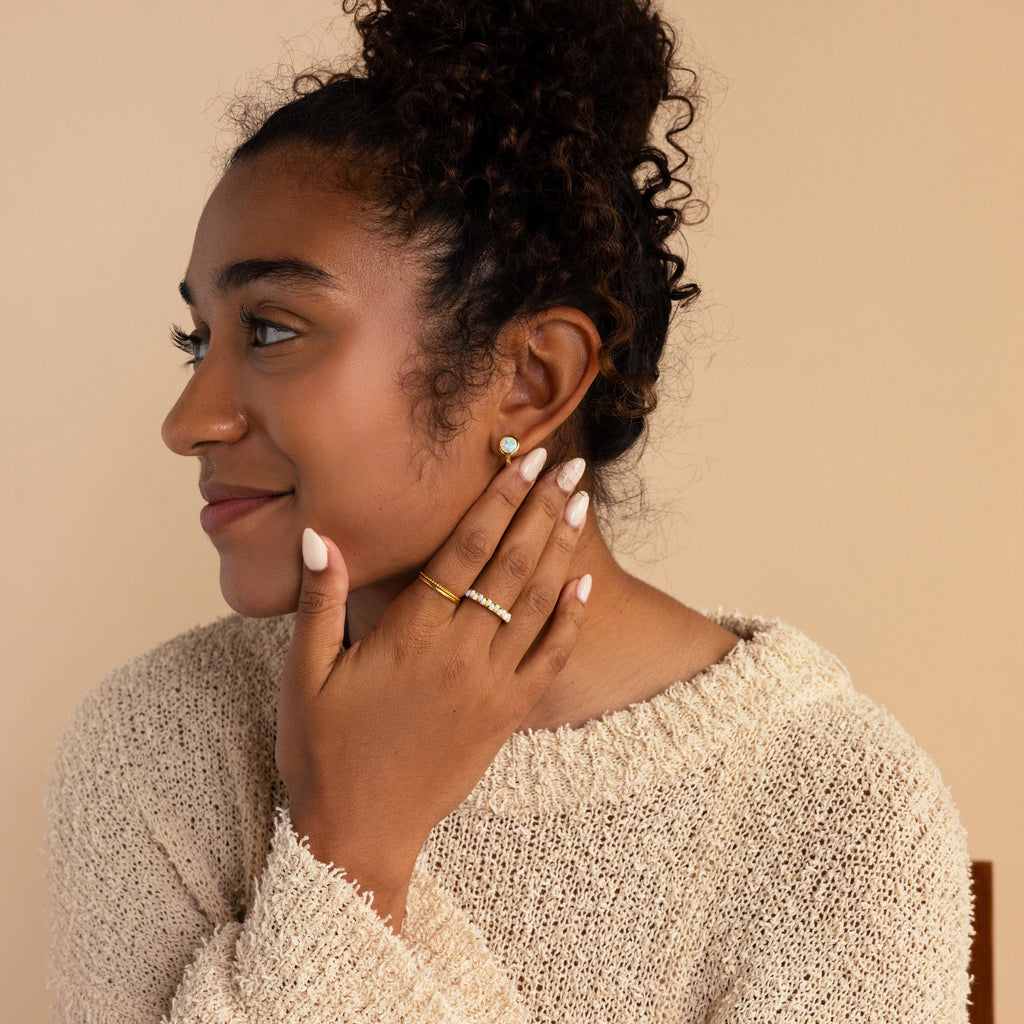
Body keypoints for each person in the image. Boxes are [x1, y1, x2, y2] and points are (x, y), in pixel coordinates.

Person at [46, 1, 973, 1021]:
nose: (188, 421)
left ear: (532, 379)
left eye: (269, 329)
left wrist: (345, 858)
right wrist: (351, 846)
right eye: (198, 340)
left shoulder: (838, 811)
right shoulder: (157, 745)